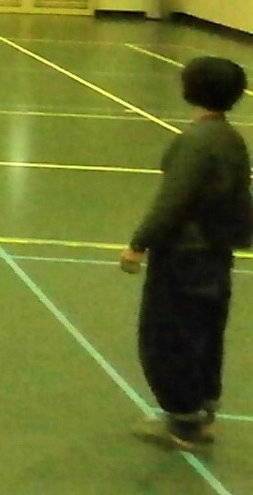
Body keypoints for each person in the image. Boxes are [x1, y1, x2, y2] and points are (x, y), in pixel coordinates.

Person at [123, 56, 253, 451]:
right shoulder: (231, 138)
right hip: (215, 255)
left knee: (168, 337)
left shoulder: (195, 142)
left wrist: (138, 243)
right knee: (205, 333)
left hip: (183, 259)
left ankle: (182, 421)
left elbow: (173, 201)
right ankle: (203, 410)